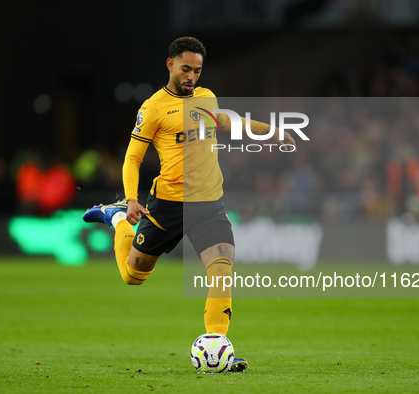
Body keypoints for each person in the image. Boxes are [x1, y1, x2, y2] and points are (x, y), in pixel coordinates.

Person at [83, 37, 296, 372]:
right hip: (167, 205)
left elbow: (228, 122)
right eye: (185, 69)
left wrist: (270, 132)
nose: (191, 76)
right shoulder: (153, 108)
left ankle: (219, 349)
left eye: (197, 70)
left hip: (209, 204)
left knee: (222, 270)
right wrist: (134, 199)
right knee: (133, 276)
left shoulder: (206, 97)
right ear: (170, 65)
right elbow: (132, 158)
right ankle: (117, 218)